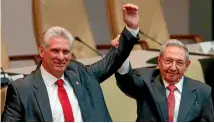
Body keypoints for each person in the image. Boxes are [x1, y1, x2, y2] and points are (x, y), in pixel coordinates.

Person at [1, 4, 140, 122]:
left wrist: (130, 29)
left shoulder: (80, 74)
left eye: (66, 51)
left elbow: (111, 60)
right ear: (42, 51)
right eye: (55, 51)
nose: (61, 57)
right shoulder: (22, 90)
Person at [112, 39, 214, 121]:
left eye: (179, 63)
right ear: (159, 61)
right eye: (168, 61)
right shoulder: (145, 81)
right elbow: (126, 81)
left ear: (187, 65)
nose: (173, 68)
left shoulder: (203, 92)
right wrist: (123, 54)